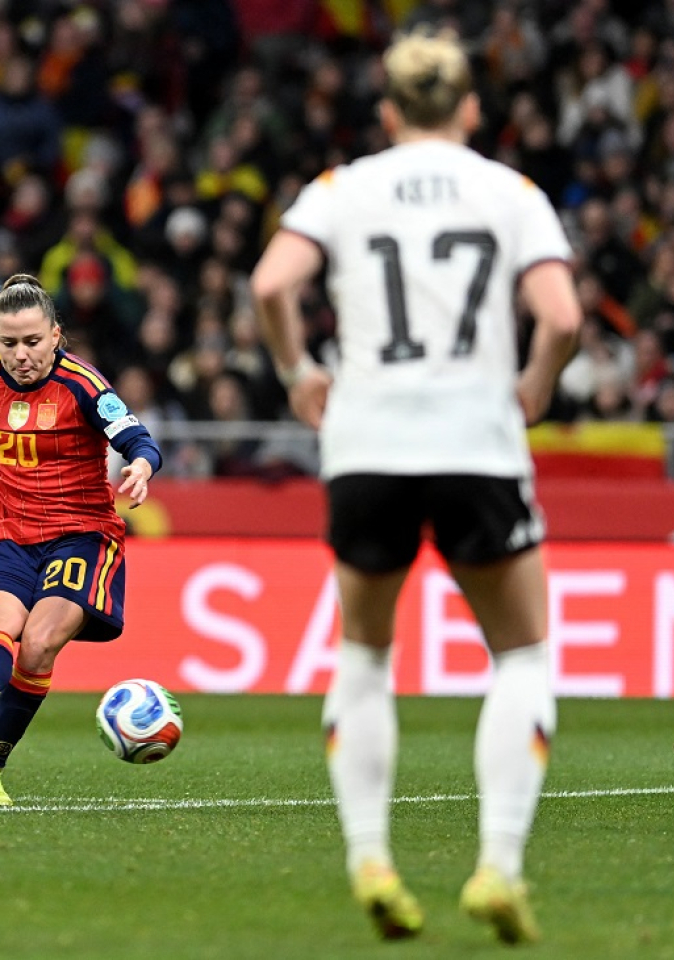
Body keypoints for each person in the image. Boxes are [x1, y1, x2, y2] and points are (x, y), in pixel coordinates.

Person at [250, 29, 581, 945]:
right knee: (520, 655)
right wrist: (537, 384)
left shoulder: (340, 190)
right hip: (478, 442)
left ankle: (370, 856)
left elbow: (271, 282)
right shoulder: (511, 194)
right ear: (472, 108)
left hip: (366, 444)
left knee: (363, 653)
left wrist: (297, 371)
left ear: (388, 114)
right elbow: (561, 315)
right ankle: (498, 866)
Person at [0, 274, 161, 807]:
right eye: (9, 343)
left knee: (39, 643)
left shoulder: (83, 385)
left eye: (33, 342)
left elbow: (136, 436)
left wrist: (140, 464)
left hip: (81, 536)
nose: (21, 355)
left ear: (56, 336)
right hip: (10, 534)